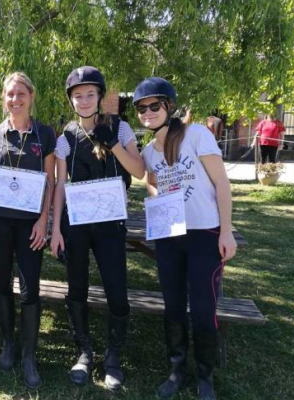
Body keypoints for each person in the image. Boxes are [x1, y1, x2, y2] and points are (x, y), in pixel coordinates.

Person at [134, 77, 237, 400]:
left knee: (204, 308)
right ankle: (177, 370)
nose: (147, 112)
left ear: (169, 106)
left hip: (205, 233)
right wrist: (160, 198)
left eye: (154, 105)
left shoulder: (196, 135)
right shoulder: (150, 151)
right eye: (140, 108)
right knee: (173, 306)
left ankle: (205, 375)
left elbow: (222, 184)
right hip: (170, 236)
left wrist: (226, 231)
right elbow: (151, 182)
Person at [49, 66, 144, 390]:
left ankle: (113, 358)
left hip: (109, 221)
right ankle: (84, 352)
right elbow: (60, 185)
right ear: (71, 100)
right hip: (76, 222)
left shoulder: (120, 127)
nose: (85, 100)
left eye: (90, 94)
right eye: (78, 95)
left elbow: (141, 171)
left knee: (116, 289)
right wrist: (56, 229)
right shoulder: (65, 138)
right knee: (76, 287)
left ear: (100, 96)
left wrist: (114, 145)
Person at [0, 72, 56, 388]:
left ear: (31, 96)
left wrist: (43, 220)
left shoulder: (45, 134)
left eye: (21, 93)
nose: (15, 99)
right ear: (3, 99)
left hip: (29, 224)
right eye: (9, 94)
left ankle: (29, 355)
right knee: (2, 282)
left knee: (30, 287)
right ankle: (9, 343)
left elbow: (50, 181)